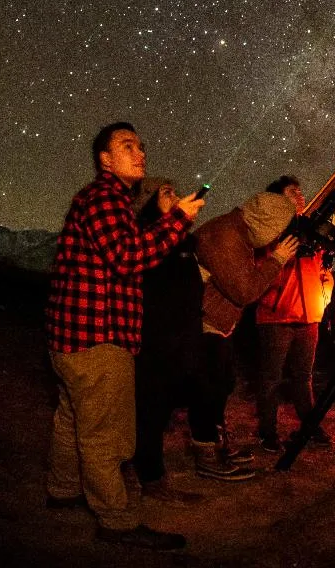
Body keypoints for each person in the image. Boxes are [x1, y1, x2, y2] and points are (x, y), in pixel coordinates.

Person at [45, 121, 203, 549]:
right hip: (97, 339)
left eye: (141, 146)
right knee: (106, 436)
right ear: (105, 159)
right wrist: (178, 221)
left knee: (72, 419)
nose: (140, 153)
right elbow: (128, 257)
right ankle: (116, 518)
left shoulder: (103, 201)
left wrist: (168, 220)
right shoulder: (104, 197)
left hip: (73, 340)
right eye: (127, 145)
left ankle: (63, 489)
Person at [189, 191, 299, 479]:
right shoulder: (227, 238)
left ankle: (216, 446)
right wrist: (278, 259)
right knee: (208, 390)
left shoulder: (237, 230)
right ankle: (207, 457)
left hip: (216, 322)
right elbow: (245, 291)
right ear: (267, 224)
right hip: (204, 322)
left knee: (222, 384)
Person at [131, 177, 204, 505]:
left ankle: (146, 471)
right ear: (148, 202)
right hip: (155, 339)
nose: (175, 196)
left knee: (160, 410)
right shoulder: (148, 238)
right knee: (149, 410)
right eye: (166, 193)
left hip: (178, 338)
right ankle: (151, 478)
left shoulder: (181, 240)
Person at [254, 175, 334, 451]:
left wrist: (324, 297)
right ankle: (267, 432)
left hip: (309, 316)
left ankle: (310, 426)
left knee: (304, 377)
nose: (300, 195)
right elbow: (259, 268)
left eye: (300, 191)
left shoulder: (313, 231)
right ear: (278, 199)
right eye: (292, 192)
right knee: (271, 378)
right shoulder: (267, 230)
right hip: (276, 315)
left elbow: (324, 271)